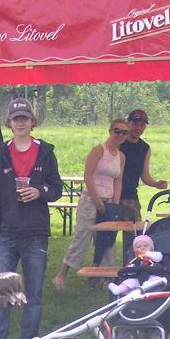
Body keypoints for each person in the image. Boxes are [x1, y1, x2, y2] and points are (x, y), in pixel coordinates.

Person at [0, 98, 63, 339]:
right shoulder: (0, 153)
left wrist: (39, 191)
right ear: (9, 123)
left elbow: (57, 188)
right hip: (5, 233)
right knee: (1, 292)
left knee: (34, 292)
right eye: (16, 119)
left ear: (32, 121)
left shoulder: (45, 152)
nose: (20, 123)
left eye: (24, 118)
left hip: (35, 233)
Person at [52, 119, 128, 289]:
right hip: (90, 200)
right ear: (110, 131)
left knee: (107, 241)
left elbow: (118, 181)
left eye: (124, 132)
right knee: (82, 238)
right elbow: (88, 176)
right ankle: (61, 274)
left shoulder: (121, 157)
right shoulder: (98, 150)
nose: (120, 135)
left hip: (109, 201)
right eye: (117, 131)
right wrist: (97, 200)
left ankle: (106, 278)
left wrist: (115, 204)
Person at [119, 109, 168, 263]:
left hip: (130, 197)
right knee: (106, 236)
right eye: (135, 124)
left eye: (142, 125)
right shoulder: (119, 143)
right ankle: (99, 270)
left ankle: (133, 266)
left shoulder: (145, 148)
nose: (138, 128)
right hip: (111, 196)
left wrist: (156, 184)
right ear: (128, 123)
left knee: (135, 238)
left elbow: (145, 176)